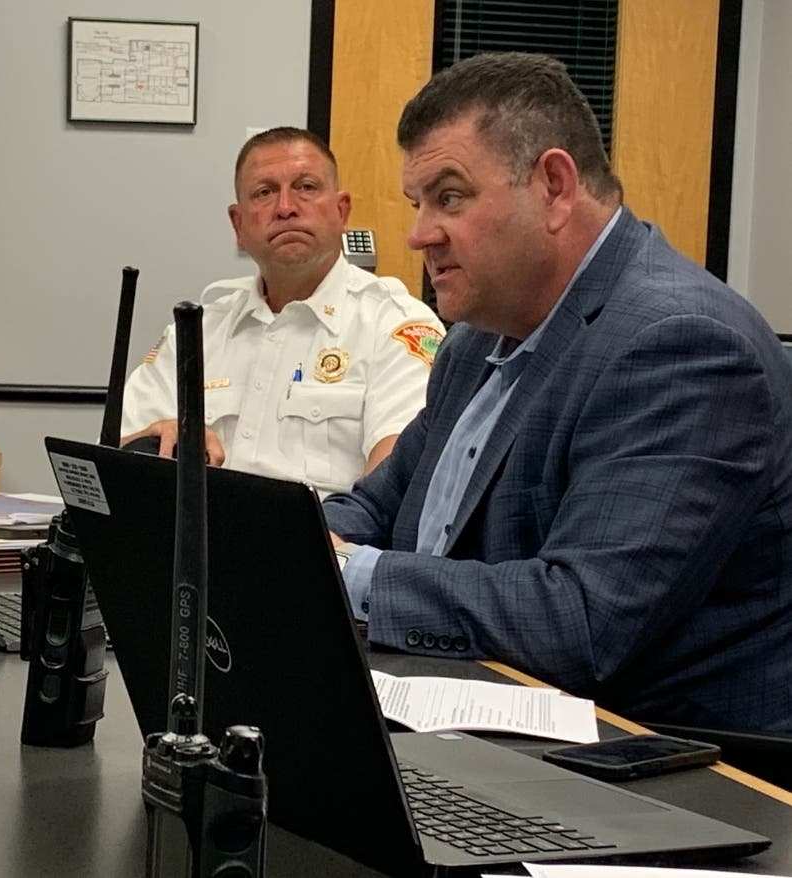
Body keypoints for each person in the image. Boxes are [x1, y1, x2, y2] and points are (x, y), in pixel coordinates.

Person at [324, 53, 792, 732]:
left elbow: (578, 620)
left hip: (666, 775)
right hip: (484, 726)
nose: (417, 233)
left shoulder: (683, 344)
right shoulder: (474, 342)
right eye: (416, 203)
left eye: (449, 197)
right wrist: (272, 543)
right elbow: (375, 509)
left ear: (553, 185)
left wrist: (351, 575)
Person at [119, 127, 444, 495]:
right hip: (191, 546)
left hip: (326, 545)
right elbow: (114, 453)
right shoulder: (199, 330)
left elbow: (393, 492)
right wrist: (149, 437)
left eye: (306, 187)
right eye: (264, 192)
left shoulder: (394, 324)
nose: (286, 207)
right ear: (238, 225)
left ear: (342, 212)